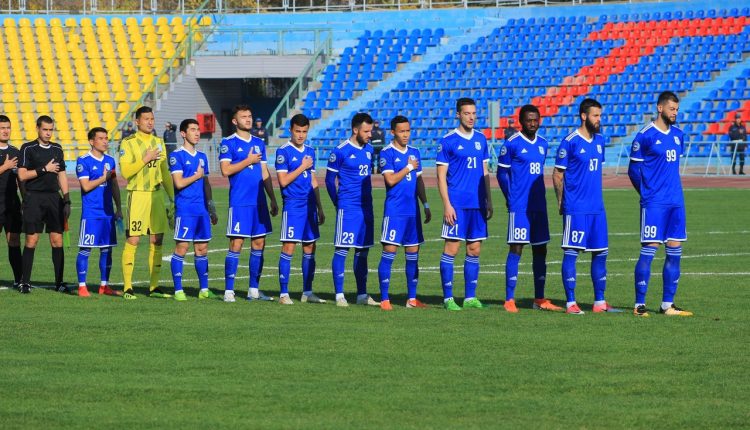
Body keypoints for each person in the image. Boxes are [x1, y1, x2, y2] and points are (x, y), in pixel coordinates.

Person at [552, 99, 619, 315]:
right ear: (583, 116)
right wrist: (561, 201)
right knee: (572, 253)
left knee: (600, 253)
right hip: (576, 208)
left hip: (597, 209)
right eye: (595, 115)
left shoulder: (600, 140)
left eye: (600, 115)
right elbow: (557, 174)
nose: (599, 120)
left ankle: (600, 302)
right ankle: (571, 303)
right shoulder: (570, 142)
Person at [628, 91, 693, 317]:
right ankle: (639, 305)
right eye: (671, 109)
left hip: (676, 202)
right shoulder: (644, 136)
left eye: (677, 109)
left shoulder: (678, 135)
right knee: (650, 250)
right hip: (654, 203)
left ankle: (668, 305)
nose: (675, 113)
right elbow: (633, 170)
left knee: (675, 251)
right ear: (660, 108)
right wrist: (647, 193)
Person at [496, 105, 561, 313]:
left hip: (539, 205)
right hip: (520, 207)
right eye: (528, 120)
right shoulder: (512, 144)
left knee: (541, 249)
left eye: (535, 120)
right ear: (521, 122)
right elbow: (501, 174)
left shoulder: (543, 143)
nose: (533, 123)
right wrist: (510, 197)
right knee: (517, 248)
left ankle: (539, 299)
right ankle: (509, 299)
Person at [436, 98, 493, 311]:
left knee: (474, 249)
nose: (471, 117)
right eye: (467, 113)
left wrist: (488, 199)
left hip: (477, 203)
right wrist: (447, 205)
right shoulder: (448, 141)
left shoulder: (481, 139)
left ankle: (470, 297)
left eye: (474, 113)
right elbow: (441, 177)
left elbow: (485, 172)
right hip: (457, 204)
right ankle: (448, 299)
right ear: (458, 115)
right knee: (452, 248)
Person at [220, 105, 278, 303]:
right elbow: (225, 170)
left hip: (259, 202)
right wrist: (248, 160)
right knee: (236, 243)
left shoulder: (259, 143)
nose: (248, 119)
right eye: (243, 116)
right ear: (234, 121)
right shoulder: (228, 143)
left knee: (259, 243)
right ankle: (229, 291)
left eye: (250, 116)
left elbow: (264, 171)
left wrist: (272, 198)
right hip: (240, 202)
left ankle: (253, 289)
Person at [119, 106, 175, 300]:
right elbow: (126, 172)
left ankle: (154, 287)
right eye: (146, 119)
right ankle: (128, 288)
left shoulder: (159, 142)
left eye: (152, 119)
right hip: (138, 195)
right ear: (137, 122)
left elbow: (165, 172)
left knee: (157, 240)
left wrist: (172, 197)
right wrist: (145, 159)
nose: (150, 122)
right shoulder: (128, 143)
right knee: (133, 239)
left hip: (157, 195)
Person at [377, 115, 432, 310]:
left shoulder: (415, 152)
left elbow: (419, 180)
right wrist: (408, 167)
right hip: (395, 211)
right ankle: (385, 299)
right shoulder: (387, 153)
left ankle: (412, 299)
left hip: (412, 211)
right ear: (393, 132)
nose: (406, 134)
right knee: (389, 252)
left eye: (408, 131)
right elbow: (390, 180)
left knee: (413, 253)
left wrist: (425, 204)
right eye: (402, 131)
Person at [325, 112, 379, 307]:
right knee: (342, 249)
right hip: (348, 208)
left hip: (366, 208)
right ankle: (339, 295)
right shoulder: (340, 151)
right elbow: (329, 181)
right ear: (355, 130)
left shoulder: (369, 150)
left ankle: (362, 295)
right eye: (366, 131)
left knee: (362, 251)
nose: (370, 135)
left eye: (370, 131)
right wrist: (337, 203)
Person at [274, 114, 327, 305]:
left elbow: (313, 180)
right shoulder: (283, 152)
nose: (301, 135)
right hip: (293, 205)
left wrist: (320, 206)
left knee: (310, 247)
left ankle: (307, 292)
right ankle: (284, 294)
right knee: (289, 247)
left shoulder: (310, 151)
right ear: (291, 130)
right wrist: (302, 166)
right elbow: (283, 181)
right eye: (297, 131)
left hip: (309, 206)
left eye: (304, 131)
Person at [17, 116, 70, 294]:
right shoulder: (28, 148)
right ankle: (25, 282)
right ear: (37, 128)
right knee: (32, 240)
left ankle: (59, 283)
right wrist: (44, 169)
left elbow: (62, 175)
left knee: (57, 240)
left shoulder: (57, 148)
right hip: (34, 198)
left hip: (54, 199)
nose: (48, 133)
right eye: (45, 129)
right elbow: (22, 175)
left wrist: (67, 199)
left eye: (50, 130)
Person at [169, 119, 219, 301]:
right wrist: (197, 175)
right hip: (185, 210)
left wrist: (211, 207)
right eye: (192, 130)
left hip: (201, 211)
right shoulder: (176, 156)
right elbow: (178, 183)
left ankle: (204, 290)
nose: (197, 133)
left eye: (198, 129)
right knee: (182, 247)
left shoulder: (202, 156)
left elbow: (206, 183)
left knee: (202, 248)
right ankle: (178, 291)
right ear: (183, 134)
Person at [75, 127, 123, 297]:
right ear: (91, 141)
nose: (105, 141)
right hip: (91, 214)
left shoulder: (110, 161)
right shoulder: (83, 161)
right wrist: (103, 178)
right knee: (85, 249)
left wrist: (118, 208)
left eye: (106, 138)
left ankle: (104, 286)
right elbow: (86, 186)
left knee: (107, 249)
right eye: (101, 138)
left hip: (107, 213)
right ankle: (82, 286)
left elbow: (114, 185)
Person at [0, 115, 23, 288]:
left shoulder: (16, 152)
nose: (6, 131)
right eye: (2, 128)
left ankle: (19, 280)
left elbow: (21, 179)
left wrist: (25, 199)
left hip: (12, 203)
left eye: (8, 127)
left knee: (14, 241)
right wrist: (5, 167)